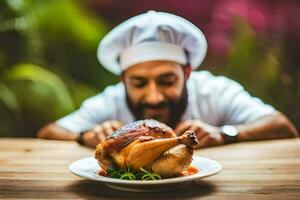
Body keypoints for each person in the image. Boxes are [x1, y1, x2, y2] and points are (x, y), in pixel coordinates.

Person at [37, 11, 298, 148]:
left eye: (166, 80)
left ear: (187, 74)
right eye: (139, 83)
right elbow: (48, 133)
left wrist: (225, 134)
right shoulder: (112, 100)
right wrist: (85, 136)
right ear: (123, 80)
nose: (153, 96)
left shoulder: (214, 91)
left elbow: (283, 127)